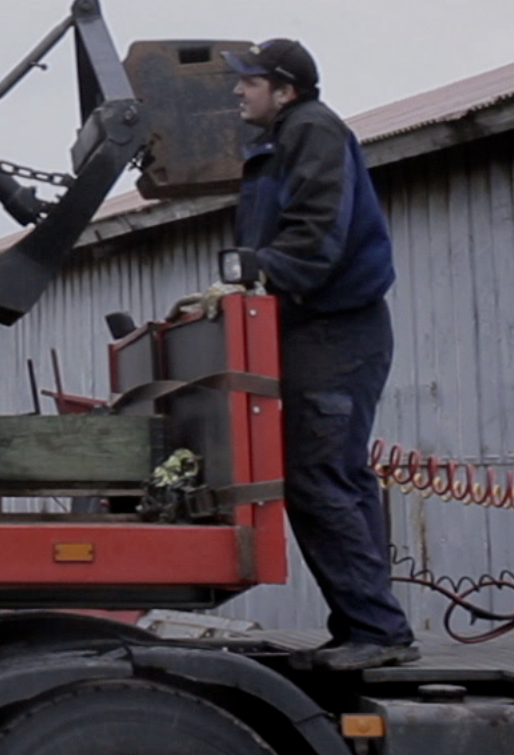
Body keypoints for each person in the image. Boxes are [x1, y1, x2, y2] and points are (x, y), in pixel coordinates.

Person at [223, 37, 418, 671]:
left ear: (285, 90)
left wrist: (256, 274)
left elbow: (315, 231)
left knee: (318, 476)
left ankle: (378, 631)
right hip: (320, 327)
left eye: (251, 81)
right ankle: (365, 625)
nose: (238, 90)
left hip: (338, 329)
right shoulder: (283, 139)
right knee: (336, 476)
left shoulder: (311, 130)